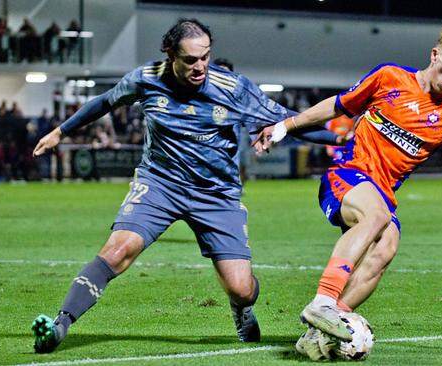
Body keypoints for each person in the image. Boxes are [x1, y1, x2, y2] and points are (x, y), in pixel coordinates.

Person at [30, 18, 343, 353]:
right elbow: (105, 102)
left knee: (240, 288)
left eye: (205, 57)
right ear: (170, 55)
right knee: (118, 251)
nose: (200, 67)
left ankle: (242, 309)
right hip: (159, 184)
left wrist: (341, 139)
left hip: (216, 194)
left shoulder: (232, 88)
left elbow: (289, 120)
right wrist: (60, 132)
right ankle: (60, 325)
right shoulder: (146, 79)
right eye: (191, 60)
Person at [255, 21, 442, 343]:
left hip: (381, 192)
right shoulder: (389, 77)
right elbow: (338, 105)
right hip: (346, 174)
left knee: (387, 246)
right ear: (435, 54)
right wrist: (286, 126)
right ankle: (323, 301)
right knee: (378, 216)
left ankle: (324, 331)